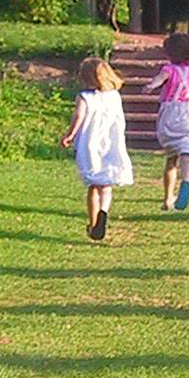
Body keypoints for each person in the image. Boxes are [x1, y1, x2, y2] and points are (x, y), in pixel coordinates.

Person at [62, 56, 133, 240]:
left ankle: (93, 224)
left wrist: (70, 135)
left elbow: (79, 117)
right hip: (111, 141)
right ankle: (104, 211)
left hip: (90, 142)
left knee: (93, 185)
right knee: (107, 185)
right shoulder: (114, 96)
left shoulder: (84, 97)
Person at [145, 32, 189, 211]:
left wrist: (151, 86)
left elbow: (159, 80)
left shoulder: (169, 69)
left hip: (170, 112)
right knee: (187, 152)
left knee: (171, 158)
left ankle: (167, 198)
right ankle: (185, 182)